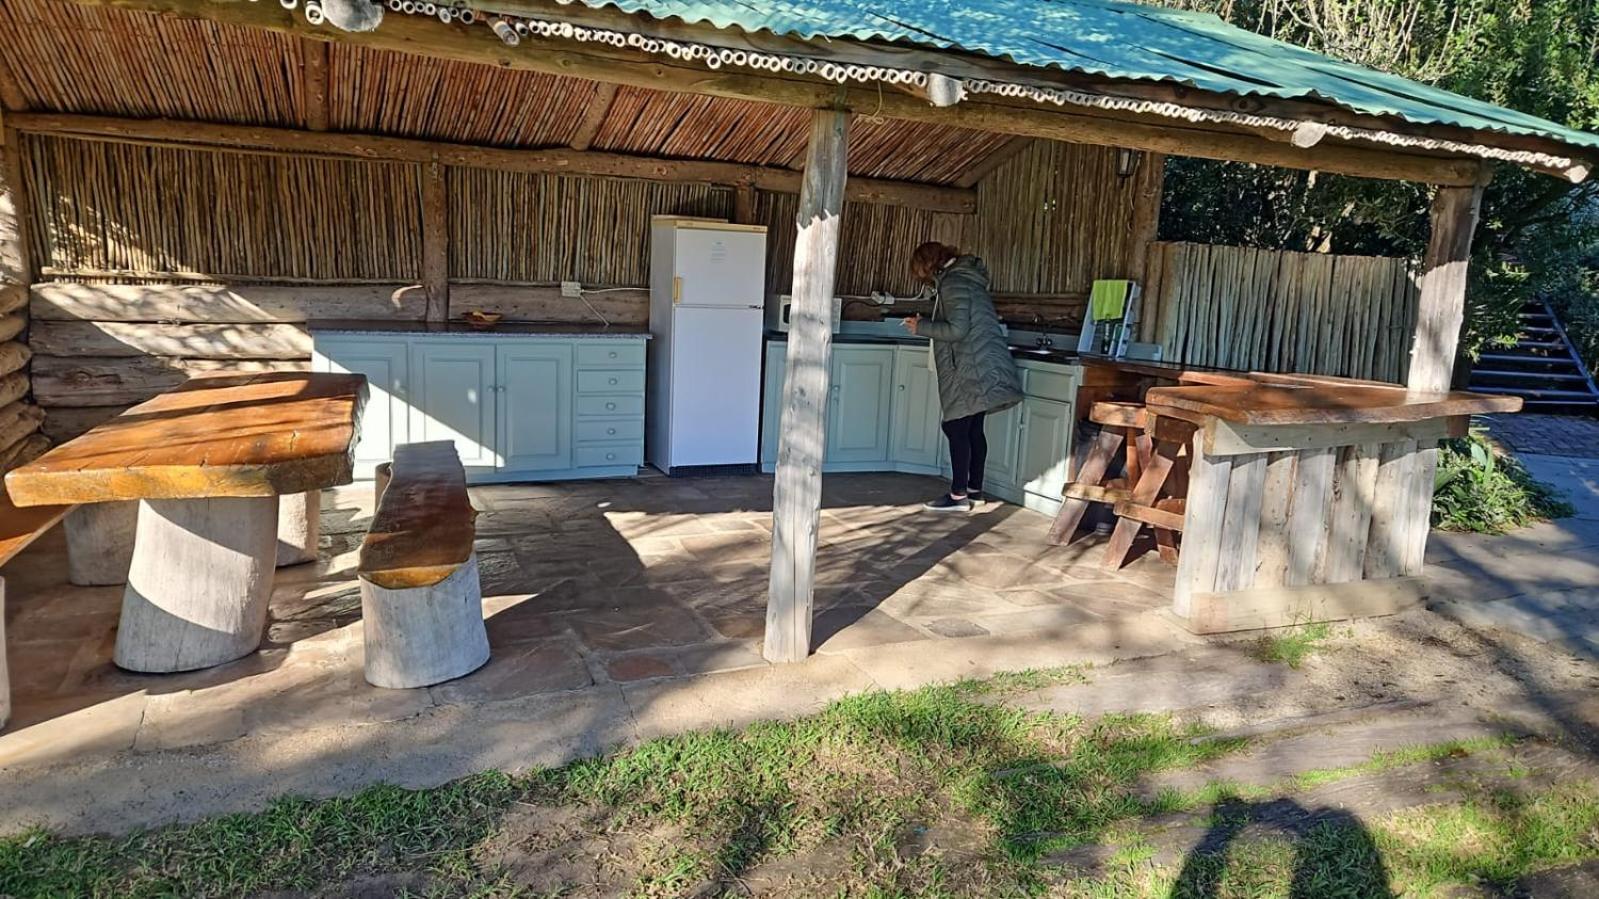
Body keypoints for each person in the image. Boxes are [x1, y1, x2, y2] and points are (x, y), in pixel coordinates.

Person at [902, 241, 1023, 512]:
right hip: (978, 361)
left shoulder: (953, 283)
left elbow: (957, 329)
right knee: (973, 429)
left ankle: (958, 496)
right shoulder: (968, 278)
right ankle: (974, 490)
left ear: (927, 264)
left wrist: (921, 326)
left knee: (957, 427)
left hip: (968, 366)